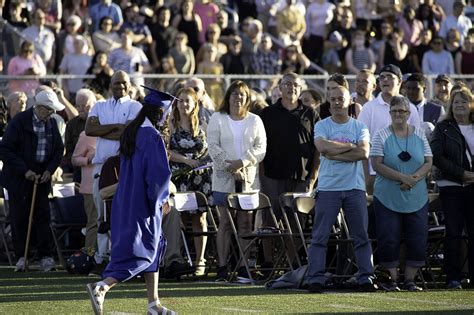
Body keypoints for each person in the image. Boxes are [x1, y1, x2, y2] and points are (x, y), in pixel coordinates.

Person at [86, 88, 175, 315]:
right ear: (161, 114)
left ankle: (153, 304)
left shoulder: (132, 132)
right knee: (141, 252)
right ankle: (102, 287)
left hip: (126, 200)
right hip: (143, 203)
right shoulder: (152, 137)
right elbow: (157, 175)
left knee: (153, 248)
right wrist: (162, 199)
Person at [306, 85, 376, 293]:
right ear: (329, 101)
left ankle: (366, 277)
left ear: (349, 101)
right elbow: (322, 148)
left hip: (354, 188)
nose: (337, 102)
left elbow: (363, 153)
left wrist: (335, 152)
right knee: (320, 236)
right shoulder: (322, 125)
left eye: (341, 99)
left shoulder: (359, 127)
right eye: (333, 99)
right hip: (328, 188)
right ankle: (315, 279)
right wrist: (350, 147)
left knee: (361, 236)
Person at [370, 96, 433, 292]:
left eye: (402, 111)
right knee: (388, 237)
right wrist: (403, 178)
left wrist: (413, 178)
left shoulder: (420, 134)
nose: (398, 114)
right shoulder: (381, 135)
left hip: (417, 196)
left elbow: (428, 161)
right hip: (387, 197)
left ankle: (410, 280)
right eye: (394, 111)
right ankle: (392, 279)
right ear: (390, 113)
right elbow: (376, 164)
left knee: (417, 237)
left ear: (409, 113)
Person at [207, 80, 267, 282]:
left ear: (248, 98)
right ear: (228, 97)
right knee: (225, 223)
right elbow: (213, 146)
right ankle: (223, 267)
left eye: (242, 94)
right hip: (224, 179)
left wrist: (242, 162)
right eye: (234, 93)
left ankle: (243, 267)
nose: (238, 98)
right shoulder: (218, 118)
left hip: (248, 180)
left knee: (245, 223)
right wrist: (230, 166)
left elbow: (261, 148)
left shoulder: (255, 120)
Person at [0, 90, 65, 272]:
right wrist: (24, 170)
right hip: (19, 177)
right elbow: (5, 150)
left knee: (43, 217)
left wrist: (49, 171)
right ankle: (22, 257)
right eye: (50, 110)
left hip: (41, 176)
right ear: (40, 108)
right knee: (19, 218)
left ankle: (46, 256)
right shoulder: (19, 122)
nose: (52, 113)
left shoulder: (51, 123)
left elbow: (58, 151)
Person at [85, 71, 142, 273]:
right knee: (102, 215)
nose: (120, 86)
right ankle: (101, 258)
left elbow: (129, 133)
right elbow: (90, 130)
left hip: (126, 167)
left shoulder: (135, 106)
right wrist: (118, 127)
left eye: (124, 83)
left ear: (129, 85)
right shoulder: (99, 105)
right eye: (116, 83)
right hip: (101, 167)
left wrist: (106, 129)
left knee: (124, 215)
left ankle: (121, 257)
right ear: (110, 85)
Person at [259, 72, 319, 267]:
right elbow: (259, 146)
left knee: (296, 223)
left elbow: (317, 148)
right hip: (272, 176)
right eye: (287, 84)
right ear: (279, 88)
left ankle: (292, 264)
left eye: (295, 84)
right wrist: (261, 176)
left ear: (300, 89)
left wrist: (312, 178)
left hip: (300, 177)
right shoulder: (267, 113)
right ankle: (268, 264)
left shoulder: (310, 114)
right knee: (270, 222)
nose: (291, 88)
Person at [430, 87, 474, 290]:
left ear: (471, 104)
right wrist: (461, 174)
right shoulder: (444, 126)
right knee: (454, 232)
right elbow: (437, 156)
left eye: (464, 101)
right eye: (456, 102)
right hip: (452, 186)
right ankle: (452, 277)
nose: (459, 105)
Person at [168, 87, 212, 276]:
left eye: (188, 101)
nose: (184, 104)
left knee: (199, 219)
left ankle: (199, 260)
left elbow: (210, 147)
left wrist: (203, 161)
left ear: (195, 104)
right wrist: (186, 160)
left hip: (200, 178)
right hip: (179, 177)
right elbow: (165, 151)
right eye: (181, 101)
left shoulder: (202, 123)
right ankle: (179, 258)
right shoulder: (170, 125)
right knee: (179, 219)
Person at [358, 64, 421, 194]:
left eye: (389, 77)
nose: (385, 80)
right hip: (375, 174)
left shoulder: (411, 109)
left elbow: (417, 143)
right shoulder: (369, 108)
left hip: (405, 174)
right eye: (381, 77)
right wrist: (367, 176)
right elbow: (361, 144)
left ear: (399, 81)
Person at [405, 73, 445, 138]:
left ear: (424, 89)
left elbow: (442, 134)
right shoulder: (399, 109)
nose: (411, 92)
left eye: (415, 88)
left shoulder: (437, 110)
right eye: (408, 88)